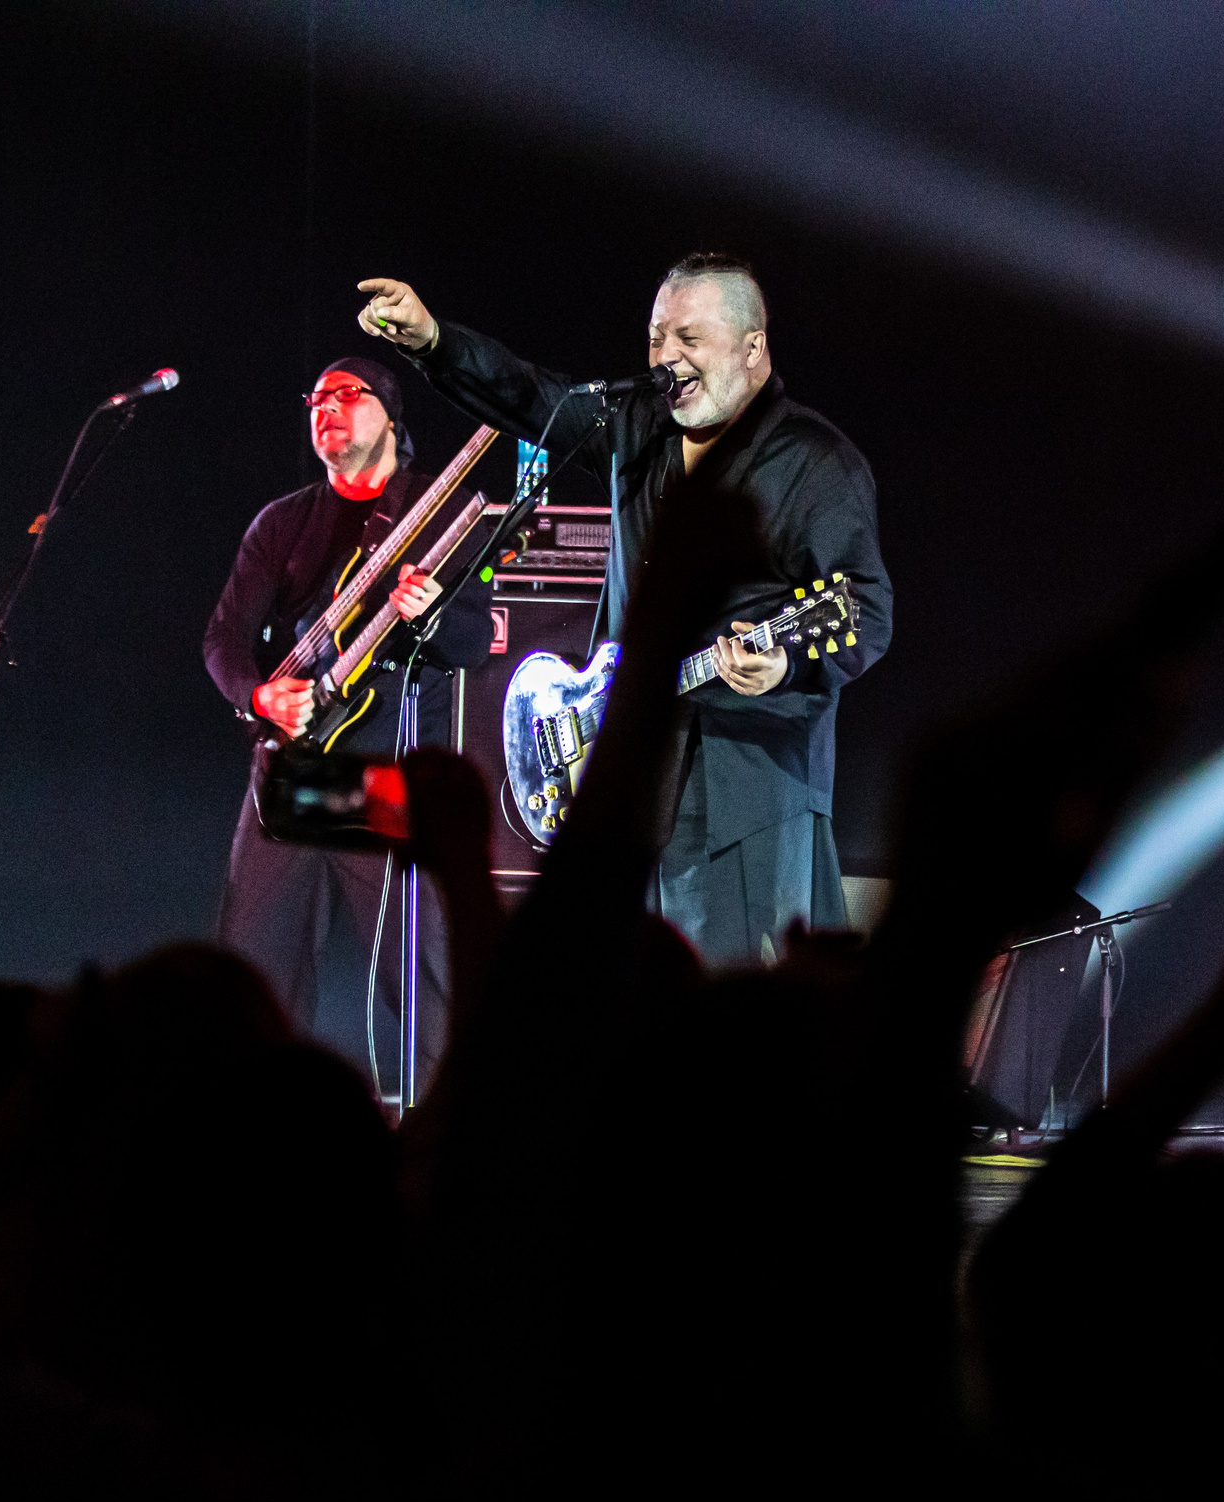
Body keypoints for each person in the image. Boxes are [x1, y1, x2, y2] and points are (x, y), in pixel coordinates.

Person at [356, 254, 893, 965]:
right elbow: (530, 397)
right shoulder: (641, 426)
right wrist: (433, 342)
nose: (667, 358)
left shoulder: (817, 463)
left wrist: (785, 660)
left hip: (743, 784)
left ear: (753, 346)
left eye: (689, 340)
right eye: (655, 339)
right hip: (633, 782)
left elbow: (867, 608)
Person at [202, 356, 493, 1092]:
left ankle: (450, 1142)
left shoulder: (435, 510)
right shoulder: (282, 522)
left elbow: (472, 639)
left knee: (420, 984)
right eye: (315, 398)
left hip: (379, 777)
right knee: (250, 972)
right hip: (293, 774)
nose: (324, 408)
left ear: (391, 416)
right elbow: (223, 642)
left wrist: (430, 613)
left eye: (345, 394)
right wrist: (261, 698)